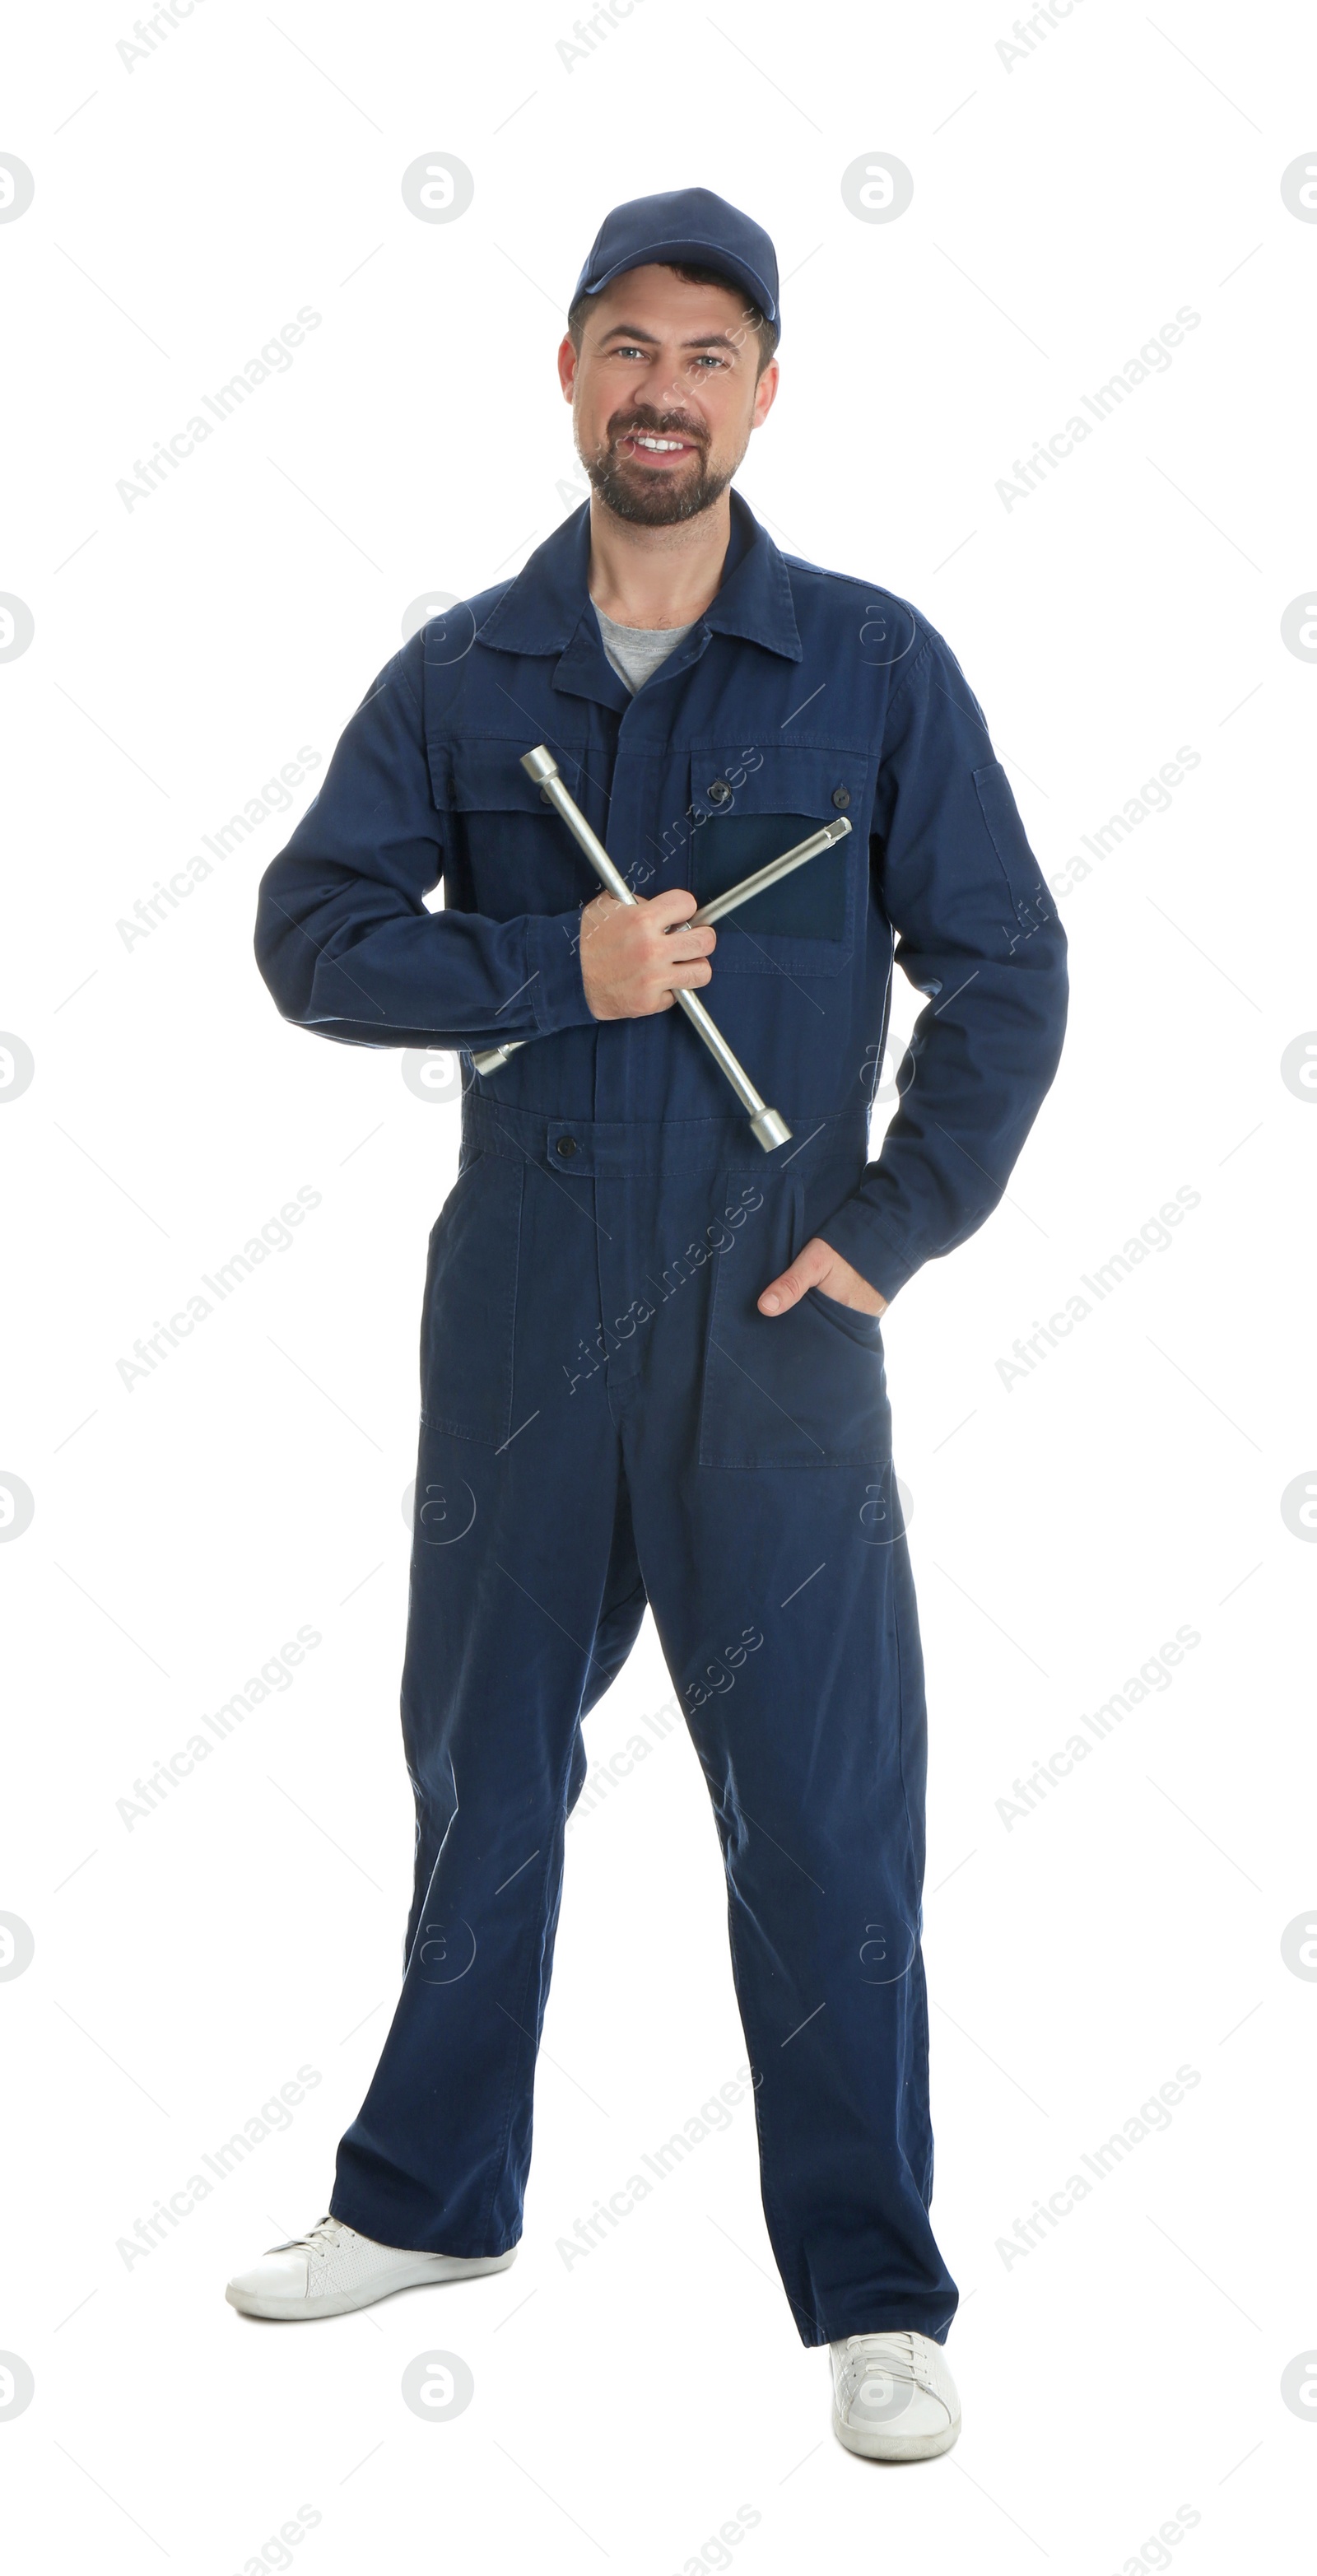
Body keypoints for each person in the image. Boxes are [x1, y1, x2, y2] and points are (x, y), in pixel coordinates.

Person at [231, 186, 1068, 2464]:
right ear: (570, 372)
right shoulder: (466, 675)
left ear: (766, 386)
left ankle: (875, 2292)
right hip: (520, 1312)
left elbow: (1007, 967)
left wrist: (891, 1230)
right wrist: (549, 971)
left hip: (779, 1320)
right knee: (479, 1769)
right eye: (627, 344)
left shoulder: (872, 667)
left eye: (709, 351)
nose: (664, 387)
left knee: (821, 1809)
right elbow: (311, 931)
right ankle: (426, 2197)